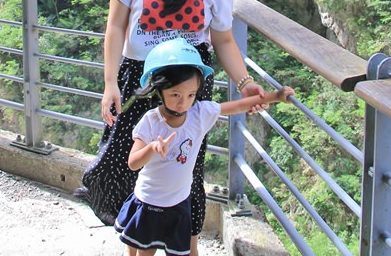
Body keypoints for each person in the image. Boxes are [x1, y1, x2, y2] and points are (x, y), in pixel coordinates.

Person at [76, 0, 266, 255]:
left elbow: (223, 39)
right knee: (127, 160)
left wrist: (245, 83)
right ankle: (136, 241)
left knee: (185, 169)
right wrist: (110, 82)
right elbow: (115, 28)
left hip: (190, 85)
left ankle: (184, 247)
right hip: (138, 78)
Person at [114, 38, 294, 256]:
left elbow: (237, 105)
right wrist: (152, 148)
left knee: (177, 250)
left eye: (191, 95)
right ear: (158, 90)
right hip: (149, 201)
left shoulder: (199, 114)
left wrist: (276, 96)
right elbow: (133, 163)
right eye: (175, 95)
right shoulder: (151, 122)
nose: (184, 102)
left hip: (179, 202)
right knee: (144, 250)